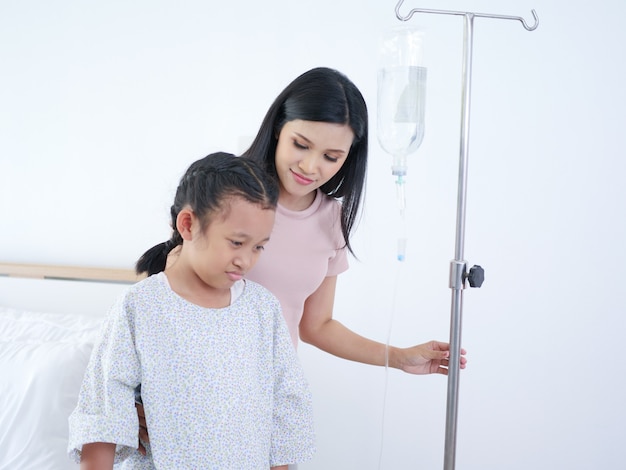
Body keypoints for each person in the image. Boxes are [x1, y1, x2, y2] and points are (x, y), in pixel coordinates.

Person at [137, 67, 467, 453]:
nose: (311, 167)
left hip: (264, 403)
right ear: (279, 127)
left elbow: (317, 324)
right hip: (193, 400)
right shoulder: (228, 195)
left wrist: (399, 357)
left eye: (331, 156)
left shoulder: (331, 221)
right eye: (301, 144)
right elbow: (165, 305)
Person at [68, 152, 315, 469]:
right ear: (187, 224)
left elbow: (287, 407)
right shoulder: (141, 307)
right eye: (237, 242)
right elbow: (103, 412)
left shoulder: (262, 309)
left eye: (258, 246)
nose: (247, 260)